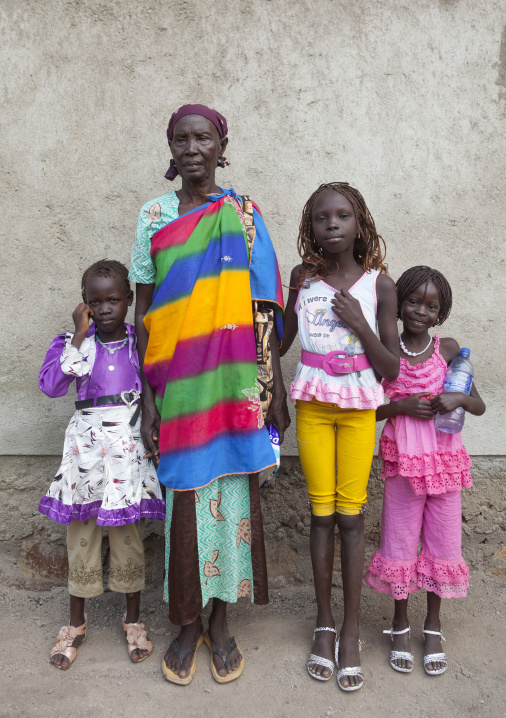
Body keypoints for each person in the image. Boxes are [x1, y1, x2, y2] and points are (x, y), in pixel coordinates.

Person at [129, 104, 288, 685]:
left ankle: (222, 623)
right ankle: (187, 623)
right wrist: (148, 401)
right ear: (169, 148)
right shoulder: (154, 215)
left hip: (236, 384)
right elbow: (144, 310)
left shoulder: (243, 215)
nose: (191, 147)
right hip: (177, 386)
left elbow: (263, 308)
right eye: (180, 139)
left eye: (202, 137)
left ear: (223, 144)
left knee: (235, 500)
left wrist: (272, 388)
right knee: (186, 502)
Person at [280, 182, 399, 691]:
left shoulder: (379, 285)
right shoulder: (303, 278)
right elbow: (281, 340)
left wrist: (359, 323)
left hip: (356, 411)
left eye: (342, 216)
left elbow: (391, 366)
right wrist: (286, 293)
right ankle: (324, 622)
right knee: (321, 514)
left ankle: (351, 630)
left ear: (359, 223)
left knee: (352, 517)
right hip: (312, 404)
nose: (332, 224)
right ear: (310, 228)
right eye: (322, 218)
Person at [39, 260, 165, 669]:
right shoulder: (72, 342)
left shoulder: (138, 341)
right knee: (82, 532)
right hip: (86, 454)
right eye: (96, 301)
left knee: (128, 532)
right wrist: (79, 333)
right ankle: (76, 623)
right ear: (85, 305)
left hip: (127, 451)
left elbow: (159, 382)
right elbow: (53, 385)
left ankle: (133, 619)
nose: (106, 308)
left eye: (113, 299)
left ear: (129, 300)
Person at [365, 266, 485, 676]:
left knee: (443, 544)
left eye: (430, 306)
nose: (420, 311)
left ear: (440, 313)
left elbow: (478, 404)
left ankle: (432, 625)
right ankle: (399, 622)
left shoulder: (448, 351)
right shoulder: (386, 350)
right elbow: (369, 409)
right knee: (399, 542)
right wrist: (399, 406)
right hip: (404, 464)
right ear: (399, 304)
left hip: (447, 463)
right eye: (413, 301)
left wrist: (458, 400)